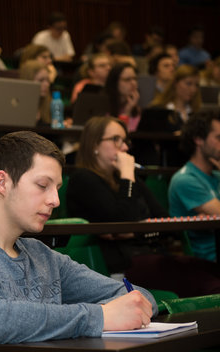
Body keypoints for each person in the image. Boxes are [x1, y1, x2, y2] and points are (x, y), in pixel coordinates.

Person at [0, 130, 157, 352]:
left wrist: (127, 308)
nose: (56, 200)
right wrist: (98, 316)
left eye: (57, 188)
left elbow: (138, 296)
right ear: (2, 182)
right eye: (42, 185)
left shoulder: (41, 254)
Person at [66, 116, 220, 297]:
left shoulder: (128, 179)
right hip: (121, 265)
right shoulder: (83, 179)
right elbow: (123, 219)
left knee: (213, 271)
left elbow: (167, 223)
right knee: (210, 285)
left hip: (151, 255)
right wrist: (127, 176)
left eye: (125, 141)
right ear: (94, 145)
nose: (124, 147)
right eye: (116, 140)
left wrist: (137, 232)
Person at [169, 109, 220, 262]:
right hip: (206, 262)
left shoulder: (217, 175)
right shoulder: (185, 179)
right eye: (218, 137)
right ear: (198, 139)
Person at [105, 62, 141, 132]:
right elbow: (118, 135)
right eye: (127, 80)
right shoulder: (104, 107)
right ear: (115, 83)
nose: (133, 83)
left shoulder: (138, 109)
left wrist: (129, 109)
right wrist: (126, 113)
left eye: (135, 79)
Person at [19, 60, 51, 126]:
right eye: (41, 80)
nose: (47, 84)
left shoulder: (49, 103)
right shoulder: (18, 105)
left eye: (47, 80)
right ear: (29, 81)